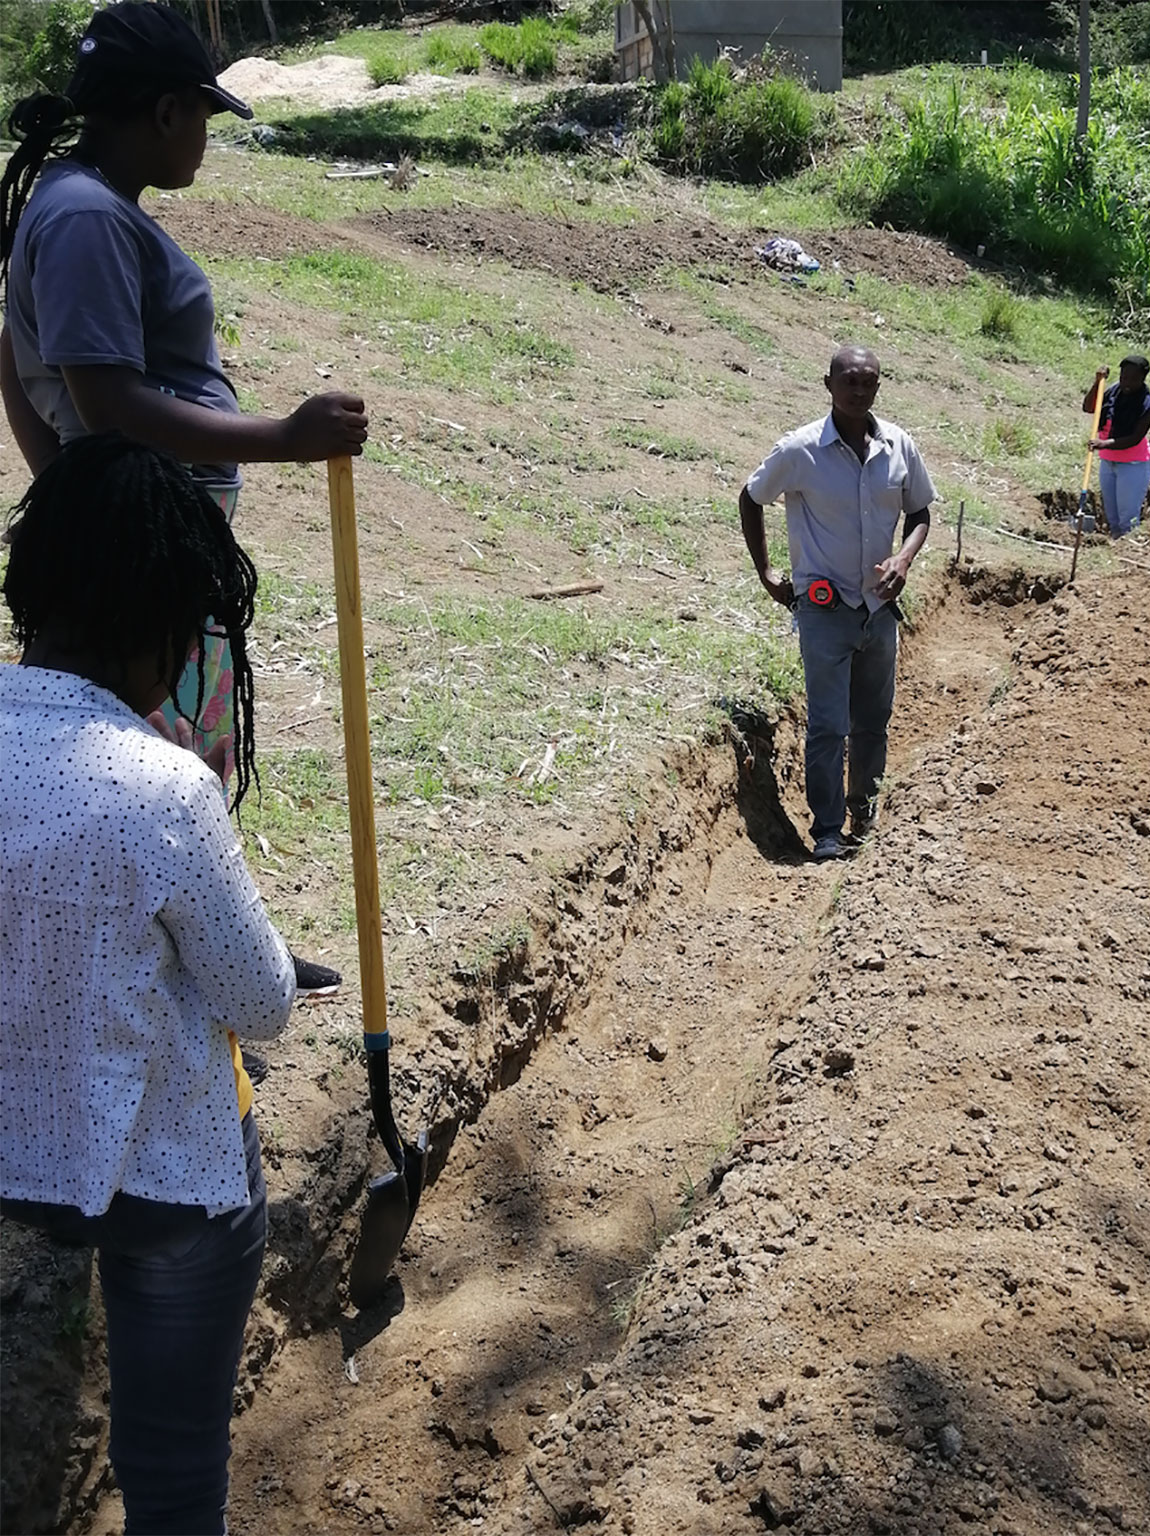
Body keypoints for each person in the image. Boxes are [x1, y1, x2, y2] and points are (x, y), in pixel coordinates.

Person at [0, 0, 369, 994]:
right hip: (139, 555)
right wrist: (286, 440)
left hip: (140, 533)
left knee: (180, 749)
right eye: (203, 116)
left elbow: (13, 359)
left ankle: (211, 938)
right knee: (156, 761)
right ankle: (193, 960)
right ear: (164, 112)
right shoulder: (83, 217)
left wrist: (63, 487)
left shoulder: (83, 205)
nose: (205, 137)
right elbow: (108, 399)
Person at [1, 435, 297, 1536]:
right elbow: (261, 1001)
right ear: (172, 626)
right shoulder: (164, 789)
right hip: (159, 1181)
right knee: (173, 1477)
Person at [740, 344, 933, 861]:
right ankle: (826, 829)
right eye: (848, 380)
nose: (858, 389)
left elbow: (920, 514)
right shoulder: (799, 450)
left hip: (878, 609)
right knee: (828, 724)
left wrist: (904, 561)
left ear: (878, 385)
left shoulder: (898, 446)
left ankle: (864, 814)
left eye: (868, 380)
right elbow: (751, 497)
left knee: (873, 721)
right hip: (824, 608)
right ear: (827, 384)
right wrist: (766, 571)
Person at [1083, 354, 1150, 538]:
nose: (1127, 383)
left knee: (1128, 519)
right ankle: (1114, 549)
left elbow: (1135, 438)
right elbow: (1089, 407)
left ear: (1143, 379)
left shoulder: (1146, 405)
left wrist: (1103, 443)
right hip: (1108, 462)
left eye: (1133, 379)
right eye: (1124, 377)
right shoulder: (1114, 391)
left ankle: (1129, 551)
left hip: (1133, 465)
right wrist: (1098, 383)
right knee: (1112, 518)